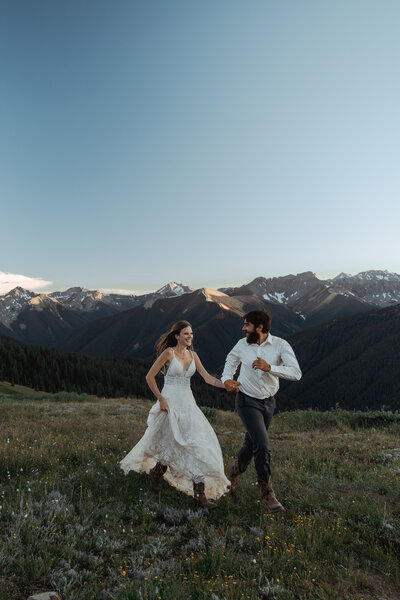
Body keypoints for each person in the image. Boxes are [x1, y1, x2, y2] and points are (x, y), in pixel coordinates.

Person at [120, 320, 230, 509]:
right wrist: (161, 400)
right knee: (171, 444)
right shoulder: (168, 353)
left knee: (195, 446)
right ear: (177, 335)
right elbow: (149, 377)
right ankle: (156, 473)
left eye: (192, 334)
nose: (190, 337)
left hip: (188, 405)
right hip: (170, 404)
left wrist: (227, 385)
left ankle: (199, 496)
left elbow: (208, 378)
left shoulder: (193, 355)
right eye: (186, 334)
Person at [221, 310, 301, 513]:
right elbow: (230, 362)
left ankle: (233, 470)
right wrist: (226, 380)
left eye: (247, 325)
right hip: (247, 400)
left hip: (268, 403)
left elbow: (296, 373)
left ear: (259, 327)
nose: (243, 328)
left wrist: (270, 368)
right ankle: (269, 495)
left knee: (252, 443)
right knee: (263, 446)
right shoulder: (242, 344)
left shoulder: (281, 345)